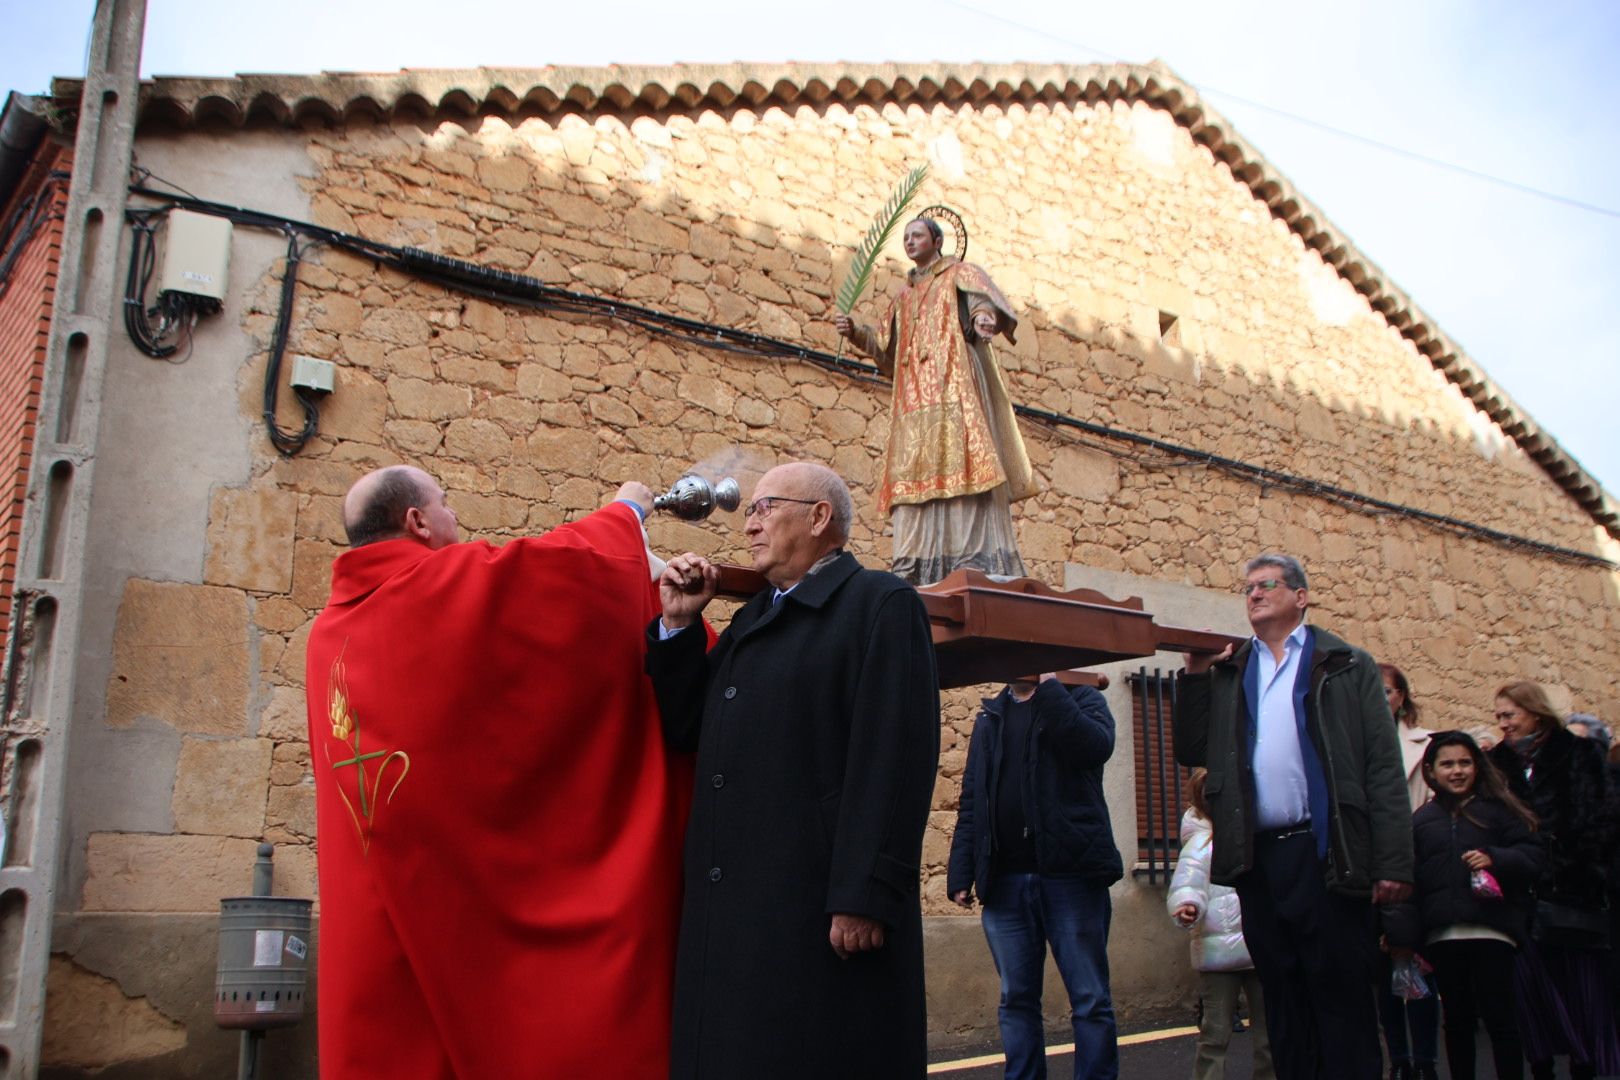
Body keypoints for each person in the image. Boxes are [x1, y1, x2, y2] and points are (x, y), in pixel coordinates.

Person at [303, 466, 692, 1079]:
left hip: (389, 893)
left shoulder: (329, 632)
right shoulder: (431, 587)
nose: (456, 518)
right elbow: (550, 576)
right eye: (447, 503)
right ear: (418, 522)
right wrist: (627, 515)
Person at [647, 461, 940, 1079]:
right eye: (749, 510)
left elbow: (893, 757)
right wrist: (678, 625)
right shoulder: (754, 619)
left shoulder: (880, 605)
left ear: (819, 517)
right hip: (740, 911)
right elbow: (689, 730)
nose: (748, 524)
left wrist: (865, 894)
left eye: (763, 508)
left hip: (813, 909)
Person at [1171, 553, 1413, 1080]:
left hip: (1325, 851)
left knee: (1340, 996)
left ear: (1300, 597)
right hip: (1261, 858)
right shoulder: (1234, 670)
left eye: (1267, 585)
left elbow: (1382, 769)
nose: (1254, 594)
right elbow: (1193, 747)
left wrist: (1393, 862)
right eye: (1249, 588)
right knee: (1281, 999)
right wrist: (1194, 673)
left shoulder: (1347, 664)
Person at [833, 216, 1038, 585]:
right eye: (906, 237)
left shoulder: (961, 273)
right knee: (912, 471)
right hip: (914, 396)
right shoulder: (902, 296)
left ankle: (971, 555)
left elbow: (982, 305)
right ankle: (914, 560)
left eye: (917, 235)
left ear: (937, 240)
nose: (910, 242)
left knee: (964, 461)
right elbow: (885, 348)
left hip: (955, 382)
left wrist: (983, 318)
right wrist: (856, 333)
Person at [946, 674, 1125, 1080]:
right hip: (1006, 882)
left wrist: (1049, 688)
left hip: (1071, 878)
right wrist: (962, 870)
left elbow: (1094, 748)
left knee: (1090, 999)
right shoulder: (991, 715)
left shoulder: (1082, 698)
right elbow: (973, 798)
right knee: (1016, 1001)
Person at [1383, 731, 1546, 1080]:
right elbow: (1409, 884)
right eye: (1447, 764)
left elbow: (1533, 857)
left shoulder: (1500, 812)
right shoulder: (1421, 821)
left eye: (1464, 763)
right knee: (1456, 1022)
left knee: (1501, 1018)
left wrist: (1495, 858)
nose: (1456, 771)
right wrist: (1401, 937)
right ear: (1431, 771)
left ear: (1476, 766)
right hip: (1443, 935)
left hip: (1493, 931)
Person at [1486, 682, 1619, 1080]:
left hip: (1573, 892)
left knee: (1581, 995)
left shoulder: (1579, 754)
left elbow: (1605, 816)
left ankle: (1586, 1066)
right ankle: (1541, 1067)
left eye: (1510, 715)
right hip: (1518, 895)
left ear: (1535, 713)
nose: (1503, 723)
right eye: (1498, 716)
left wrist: (1578, 864)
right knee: (1532, 997)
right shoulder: (1495, 765)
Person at [1167, 768, 1275, 1080]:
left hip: (1247, 950)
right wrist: (1186, 904)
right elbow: (1187, 883)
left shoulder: (1251, 839)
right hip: (1236, 952)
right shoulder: (1201, 846)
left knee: (1252, 1033)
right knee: (1220, 1034)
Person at [1376, 663, 1440, 1080]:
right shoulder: (1350, 741)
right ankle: (1398, 1057)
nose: (1380, 698)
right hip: (1367, 869)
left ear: (1401, 697)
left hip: (1414, 868)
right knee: (1382, 973)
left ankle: (1426, 1060)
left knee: (1417, 966)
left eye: (1387, 691)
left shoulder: (1425, 746)